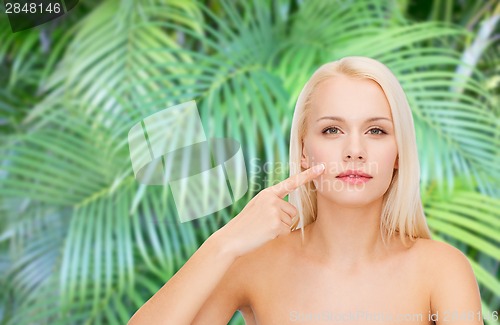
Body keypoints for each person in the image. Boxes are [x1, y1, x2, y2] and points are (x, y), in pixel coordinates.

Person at [128, 57, 484, 324]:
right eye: (332, 130)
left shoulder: (441, 269)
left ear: (398, 153)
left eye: (376, 131)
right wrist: (224, 244)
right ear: (303, 150)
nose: (355, 150)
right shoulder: (254, 263)